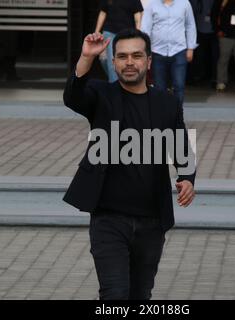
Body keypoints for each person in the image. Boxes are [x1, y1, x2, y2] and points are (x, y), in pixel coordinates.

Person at [62, 29, 196, 300]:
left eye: (136, 55)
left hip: (152, 220)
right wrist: (87, 57)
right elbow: (73, 96)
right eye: (122, 56)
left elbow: (181, 146)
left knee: (140, 295)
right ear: (113, 63)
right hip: (108, 219)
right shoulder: (101, 96)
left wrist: (188, 177)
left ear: (148, 61)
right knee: (114, 294)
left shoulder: (167, 102)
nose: (129, 62)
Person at [141, 0, 198, 106]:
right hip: (157, 51)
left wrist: (190, 48)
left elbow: (190, 25)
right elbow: (145, 29)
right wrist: (146, 51)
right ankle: (162, 117)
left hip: (179, 51)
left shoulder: (185, 3)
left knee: (179, 86)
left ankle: (177, 116)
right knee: (159, 88)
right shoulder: (152, 4)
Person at [95, 0, 144, 82]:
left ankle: (118, 85)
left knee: (119, 61)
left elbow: (138, 15)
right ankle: (116, 85)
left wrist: (137, 33)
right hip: (109, 32)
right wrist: (97, 31)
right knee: (106, 60)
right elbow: (103, 13)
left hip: (127, 35)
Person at [190, 0, 218, 85]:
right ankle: (198, 75)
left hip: (214, 30)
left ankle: (214, 77)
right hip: (198, 29)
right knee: (199, 55)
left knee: (215, 55)